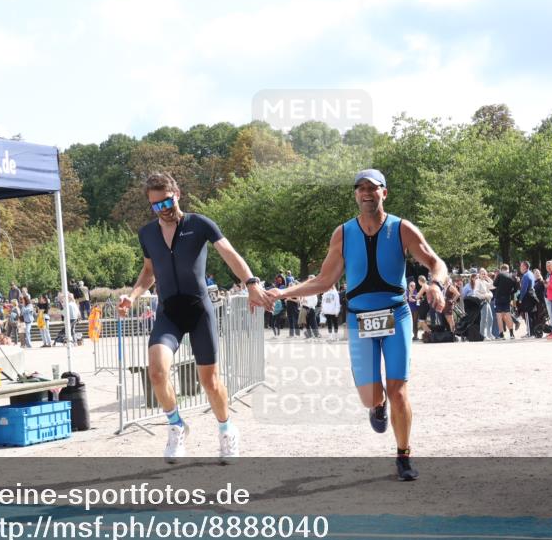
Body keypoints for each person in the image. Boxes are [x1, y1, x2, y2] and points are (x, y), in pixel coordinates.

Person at [266, 169, 447, 481]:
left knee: (398, 390)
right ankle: (376, 406)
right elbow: (324, 280)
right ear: (355, 195)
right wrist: (282, 292)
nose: (367, 193)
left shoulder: (401, 229)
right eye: (361, 188)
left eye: (372, 188)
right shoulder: (343, 234)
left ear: (384, 193)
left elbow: (435, 262)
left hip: (396, 315)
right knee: (370, 396)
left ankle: (403, 455)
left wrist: (436, 284)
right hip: (359, 318)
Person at [118, 173, 269, 463]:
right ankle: (176, 425)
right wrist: (133, 296)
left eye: (166, 201)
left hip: (199, 310)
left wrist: (251, 283)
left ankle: (226, 430)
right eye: (155, 205)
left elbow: (229, 254)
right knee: (156, 371)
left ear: (177, 194)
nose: (163, 209)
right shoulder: (147, 234)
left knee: (210, 382)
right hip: (169, 313)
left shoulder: (199, 224)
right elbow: (149, 272)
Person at [492, 264, 519, 340]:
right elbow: (516, 289)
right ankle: (511, 334)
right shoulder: (513, 276)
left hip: (499, 298)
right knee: (508, 315)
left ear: (501, 269)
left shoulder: (500, 275)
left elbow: (494, 284)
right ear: (508, 269)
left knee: (499, 316)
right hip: (507, 298)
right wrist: (510, 293)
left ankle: (501, 334)